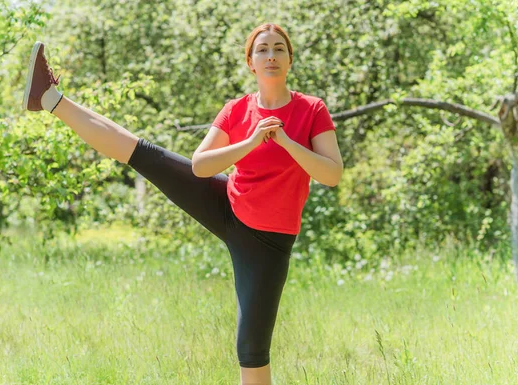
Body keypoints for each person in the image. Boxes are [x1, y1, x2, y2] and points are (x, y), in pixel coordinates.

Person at [22, 22, 343, 385]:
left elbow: (332, 173)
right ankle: (48, 98)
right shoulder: (236, 110)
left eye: (279, 49)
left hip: (267, 242)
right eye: (262, 49)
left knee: (252, 351)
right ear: (250, 62)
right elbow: (201, 165)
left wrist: (284, 141)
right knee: (145, 155)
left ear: (290, 59)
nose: (271, 55)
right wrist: (252, 141)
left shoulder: (312, 109)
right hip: (227, 203)